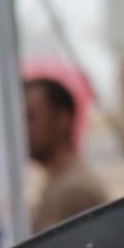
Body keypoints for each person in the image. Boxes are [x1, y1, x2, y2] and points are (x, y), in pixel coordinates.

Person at [25, 75, 109, 231]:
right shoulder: (60, 184)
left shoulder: (73, 193)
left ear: (62, 119)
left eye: (30, 117)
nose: (22, 128)